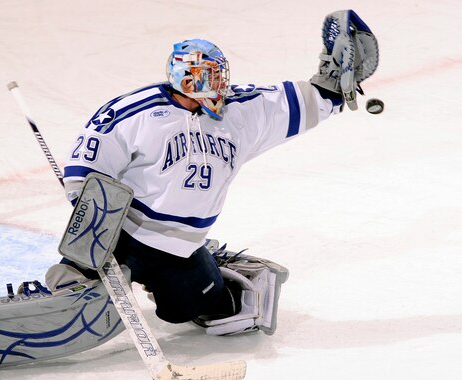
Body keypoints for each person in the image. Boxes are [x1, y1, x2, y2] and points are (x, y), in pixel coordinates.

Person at [59, 10, 378, 336]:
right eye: (210, 76)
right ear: (186, 78)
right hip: (121, 234)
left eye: (220, 74)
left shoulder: (239, 111)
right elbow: (85, 171)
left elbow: (297, 102)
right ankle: (66, 286)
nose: (221, 84)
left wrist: (332, 85)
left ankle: (220, 268)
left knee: (192, 310)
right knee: (72, 272)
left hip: (179, 248)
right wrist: (93, 227)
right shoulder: (134, 113)